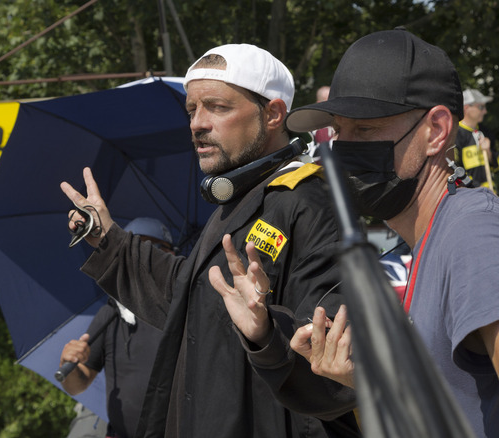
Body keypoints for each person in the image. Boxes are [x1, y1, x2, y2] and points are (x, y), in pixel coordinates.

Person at [284, 29, 499, 437]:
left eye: (363, 129)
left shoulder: (475, 235)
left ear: (435, 130)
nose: (343, 148)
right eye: (338, 131)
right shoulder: (437, 232)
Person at [60, 43, 358, 438]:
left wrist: (266, 330)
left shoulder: (311, 199)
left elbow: (333, 359)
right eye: (191, 109)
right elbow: (190, 299)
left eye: (217, 107)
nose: (197, 123)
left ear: (272, 114)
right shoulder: (236, 199)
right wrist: (108, 239)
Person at [60, 217, 174, 438]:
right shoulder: (111, 312)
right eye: (128, 251)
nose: (137, 258)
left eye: (150, 249)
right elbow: (78, 384)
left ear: (170, 255)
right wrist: (69, 366)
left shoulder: (186, 310)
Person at [454, 89, 499, 191]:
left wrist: (488, 152)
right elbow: (454, 169)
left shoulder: (485, 132)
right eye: (481, 107)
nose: (485, 111)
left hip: (490, 194)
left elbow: (498, 164)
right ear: (466, 108)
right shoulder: (456, 134)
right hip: (471, 196)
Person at [306, 85, 334, 162]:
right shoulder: (310, 127)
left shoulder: (342, 123)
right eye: (329, 101)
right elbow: (308, 155)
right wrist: (332, 144)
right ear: (319, 104)